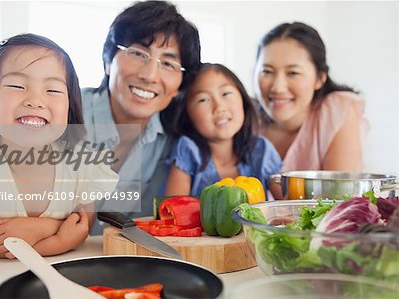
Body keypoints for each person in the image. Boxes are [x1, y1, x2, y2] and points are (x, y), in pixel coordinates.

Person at [0, 33, 118, 257]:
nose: (35, 100)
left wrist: (44, 229)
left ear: (70, 106)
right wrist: (58, 236)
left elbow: (80, 229)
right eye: (18, 86)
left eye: (53, 90)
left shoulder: (80, 163)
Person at [81, 1, 201, 219]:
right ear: (108, 60)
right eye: (138, 53)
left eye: (168, 64)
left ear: (179, 87)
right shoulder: (64, 112)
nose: (150, 75)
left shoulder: (174, 144)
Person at [253, 22, 369, 172]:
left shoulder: (338, 112)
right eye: (267, 71)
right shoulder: (243, 116)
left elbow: (343, 194)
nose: (278, 88)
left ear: (320, 78)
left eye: (293, 73)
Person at [164, 63, 282, 197]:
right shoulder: (187, 150)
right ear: (187, 114)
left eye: (226, 93)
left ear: (243, 98)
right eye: (203, 100)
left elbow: (287, 204)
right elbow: (173, 209)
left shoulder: (262, 150)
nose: (219, 107)